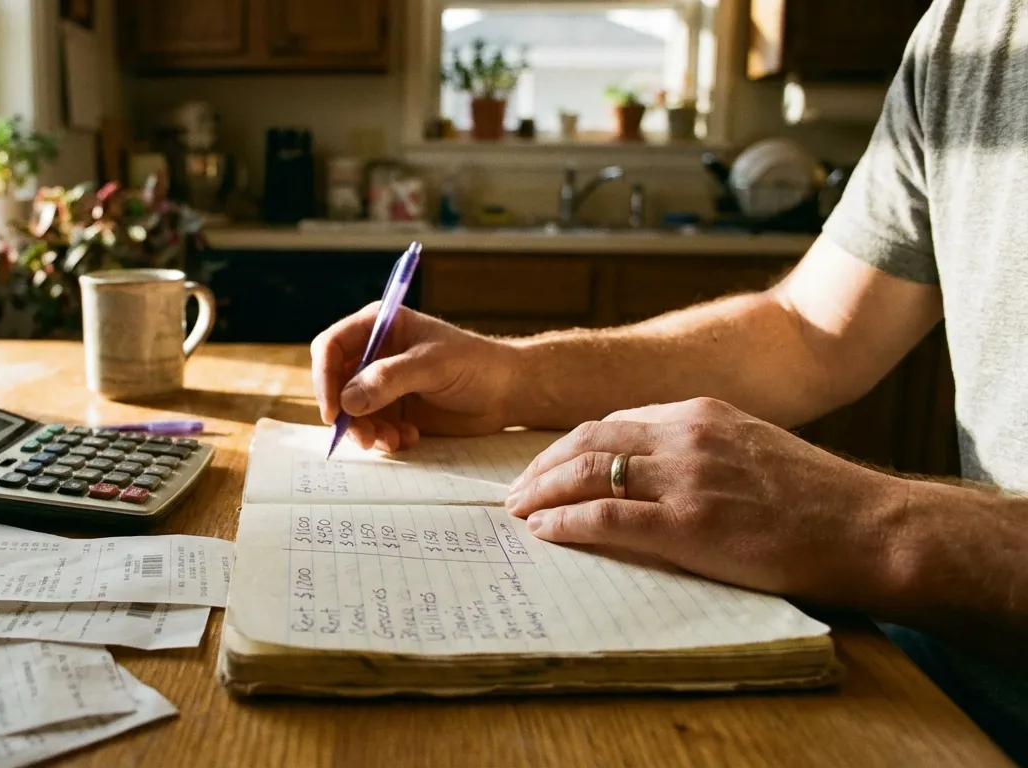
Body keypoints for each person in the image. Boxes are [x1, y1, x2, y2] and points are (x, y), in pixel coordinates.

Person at [310, 0, 1026, 760]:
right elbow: (809, 332)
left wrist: (868, 522)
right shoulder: (968, 31)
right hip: (930, 691)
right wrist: (514, 375)